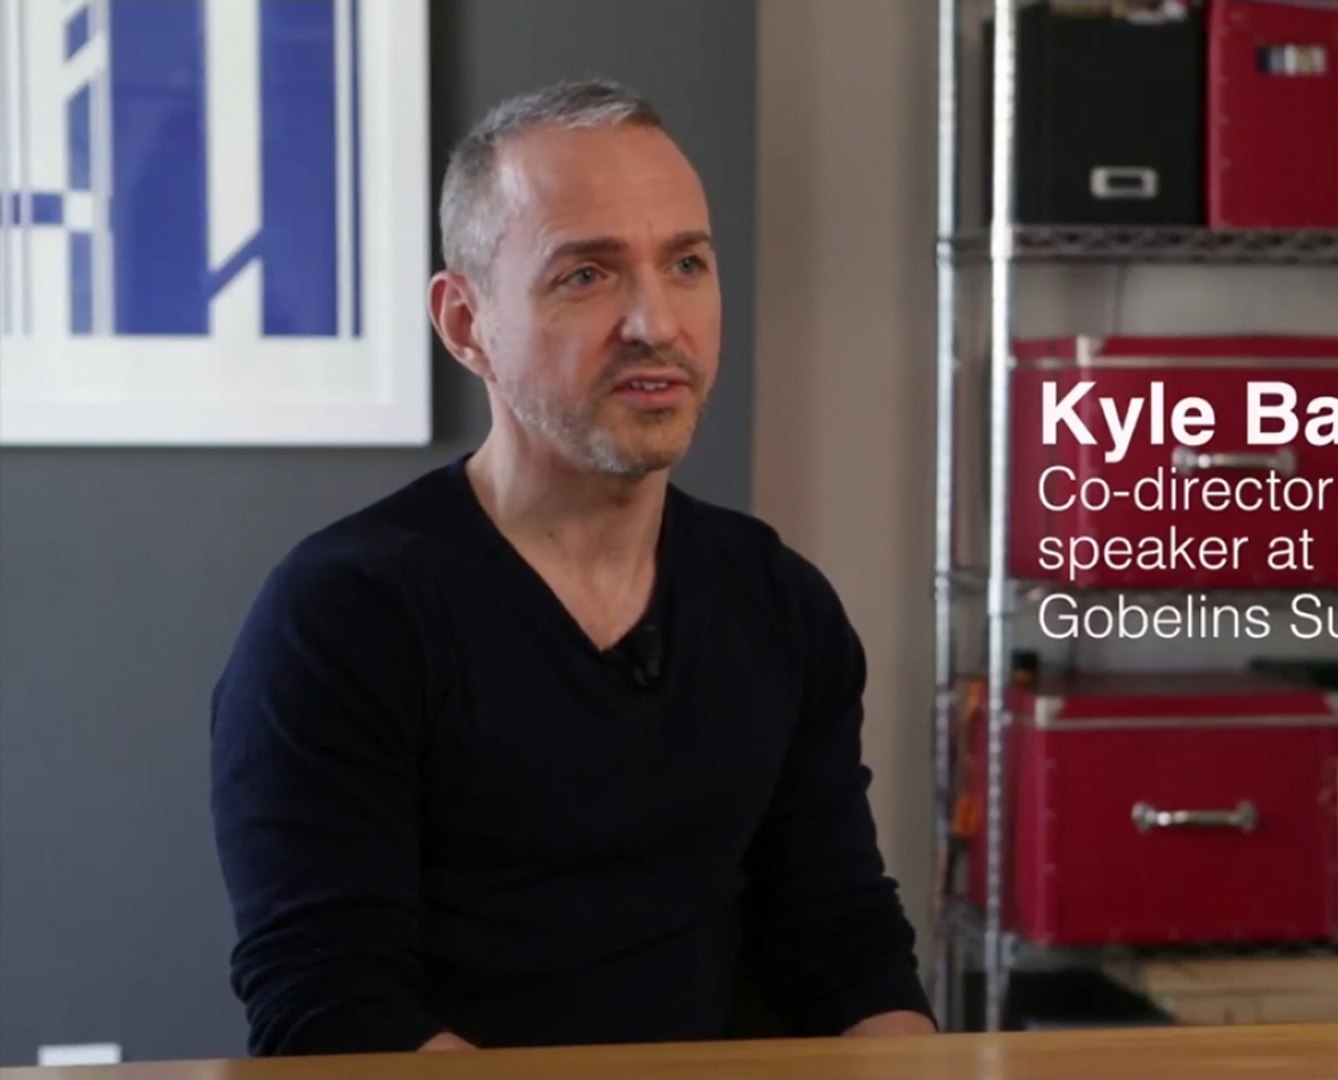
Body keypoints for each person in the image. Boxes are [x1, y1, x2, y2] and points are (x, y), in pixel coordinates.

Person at [208, 79, 935, 1056]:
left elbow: (846, 947)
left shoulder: (779, 604)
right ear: (466, 323)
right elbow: (333, 1010)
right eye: (586, 274)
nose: (655, 323)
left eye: (686, 263)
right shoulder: (344, 617)